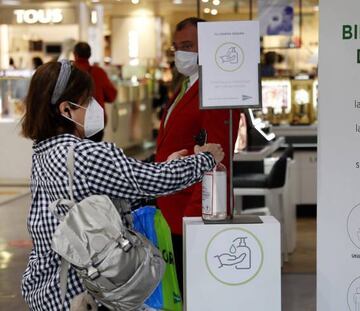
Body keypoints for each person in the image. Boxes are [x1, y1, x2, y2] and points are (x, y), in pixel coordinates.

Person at [20, 60, 224, 311]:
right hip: (82, 293)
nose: (95, 107)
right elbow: (152, 182)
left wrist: (166, 166)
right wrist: (205, 159)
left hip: (47, 288)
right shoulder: (84, 153)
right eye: (87, 101)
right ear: (66, 109)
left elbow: (103, 197)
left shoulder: (44, 152)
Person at [155, 17, 241, 292]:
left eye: (189, 45)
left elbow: (217, 157)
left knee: (193, 290)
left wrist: (197, 218)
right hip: (171, 209)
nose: (181, 53)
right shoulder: (185, 87)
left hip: (190, 213)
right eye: (177, 47)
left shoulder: (216, 91)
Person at [73, 42, 118, 141]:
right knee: (94, 154)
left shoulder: (69, 71)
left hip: (72, 123)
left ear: (75, 54)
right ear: (90, 55)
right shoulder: (99, 72)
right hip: (95, 123)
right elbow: (111, 96)